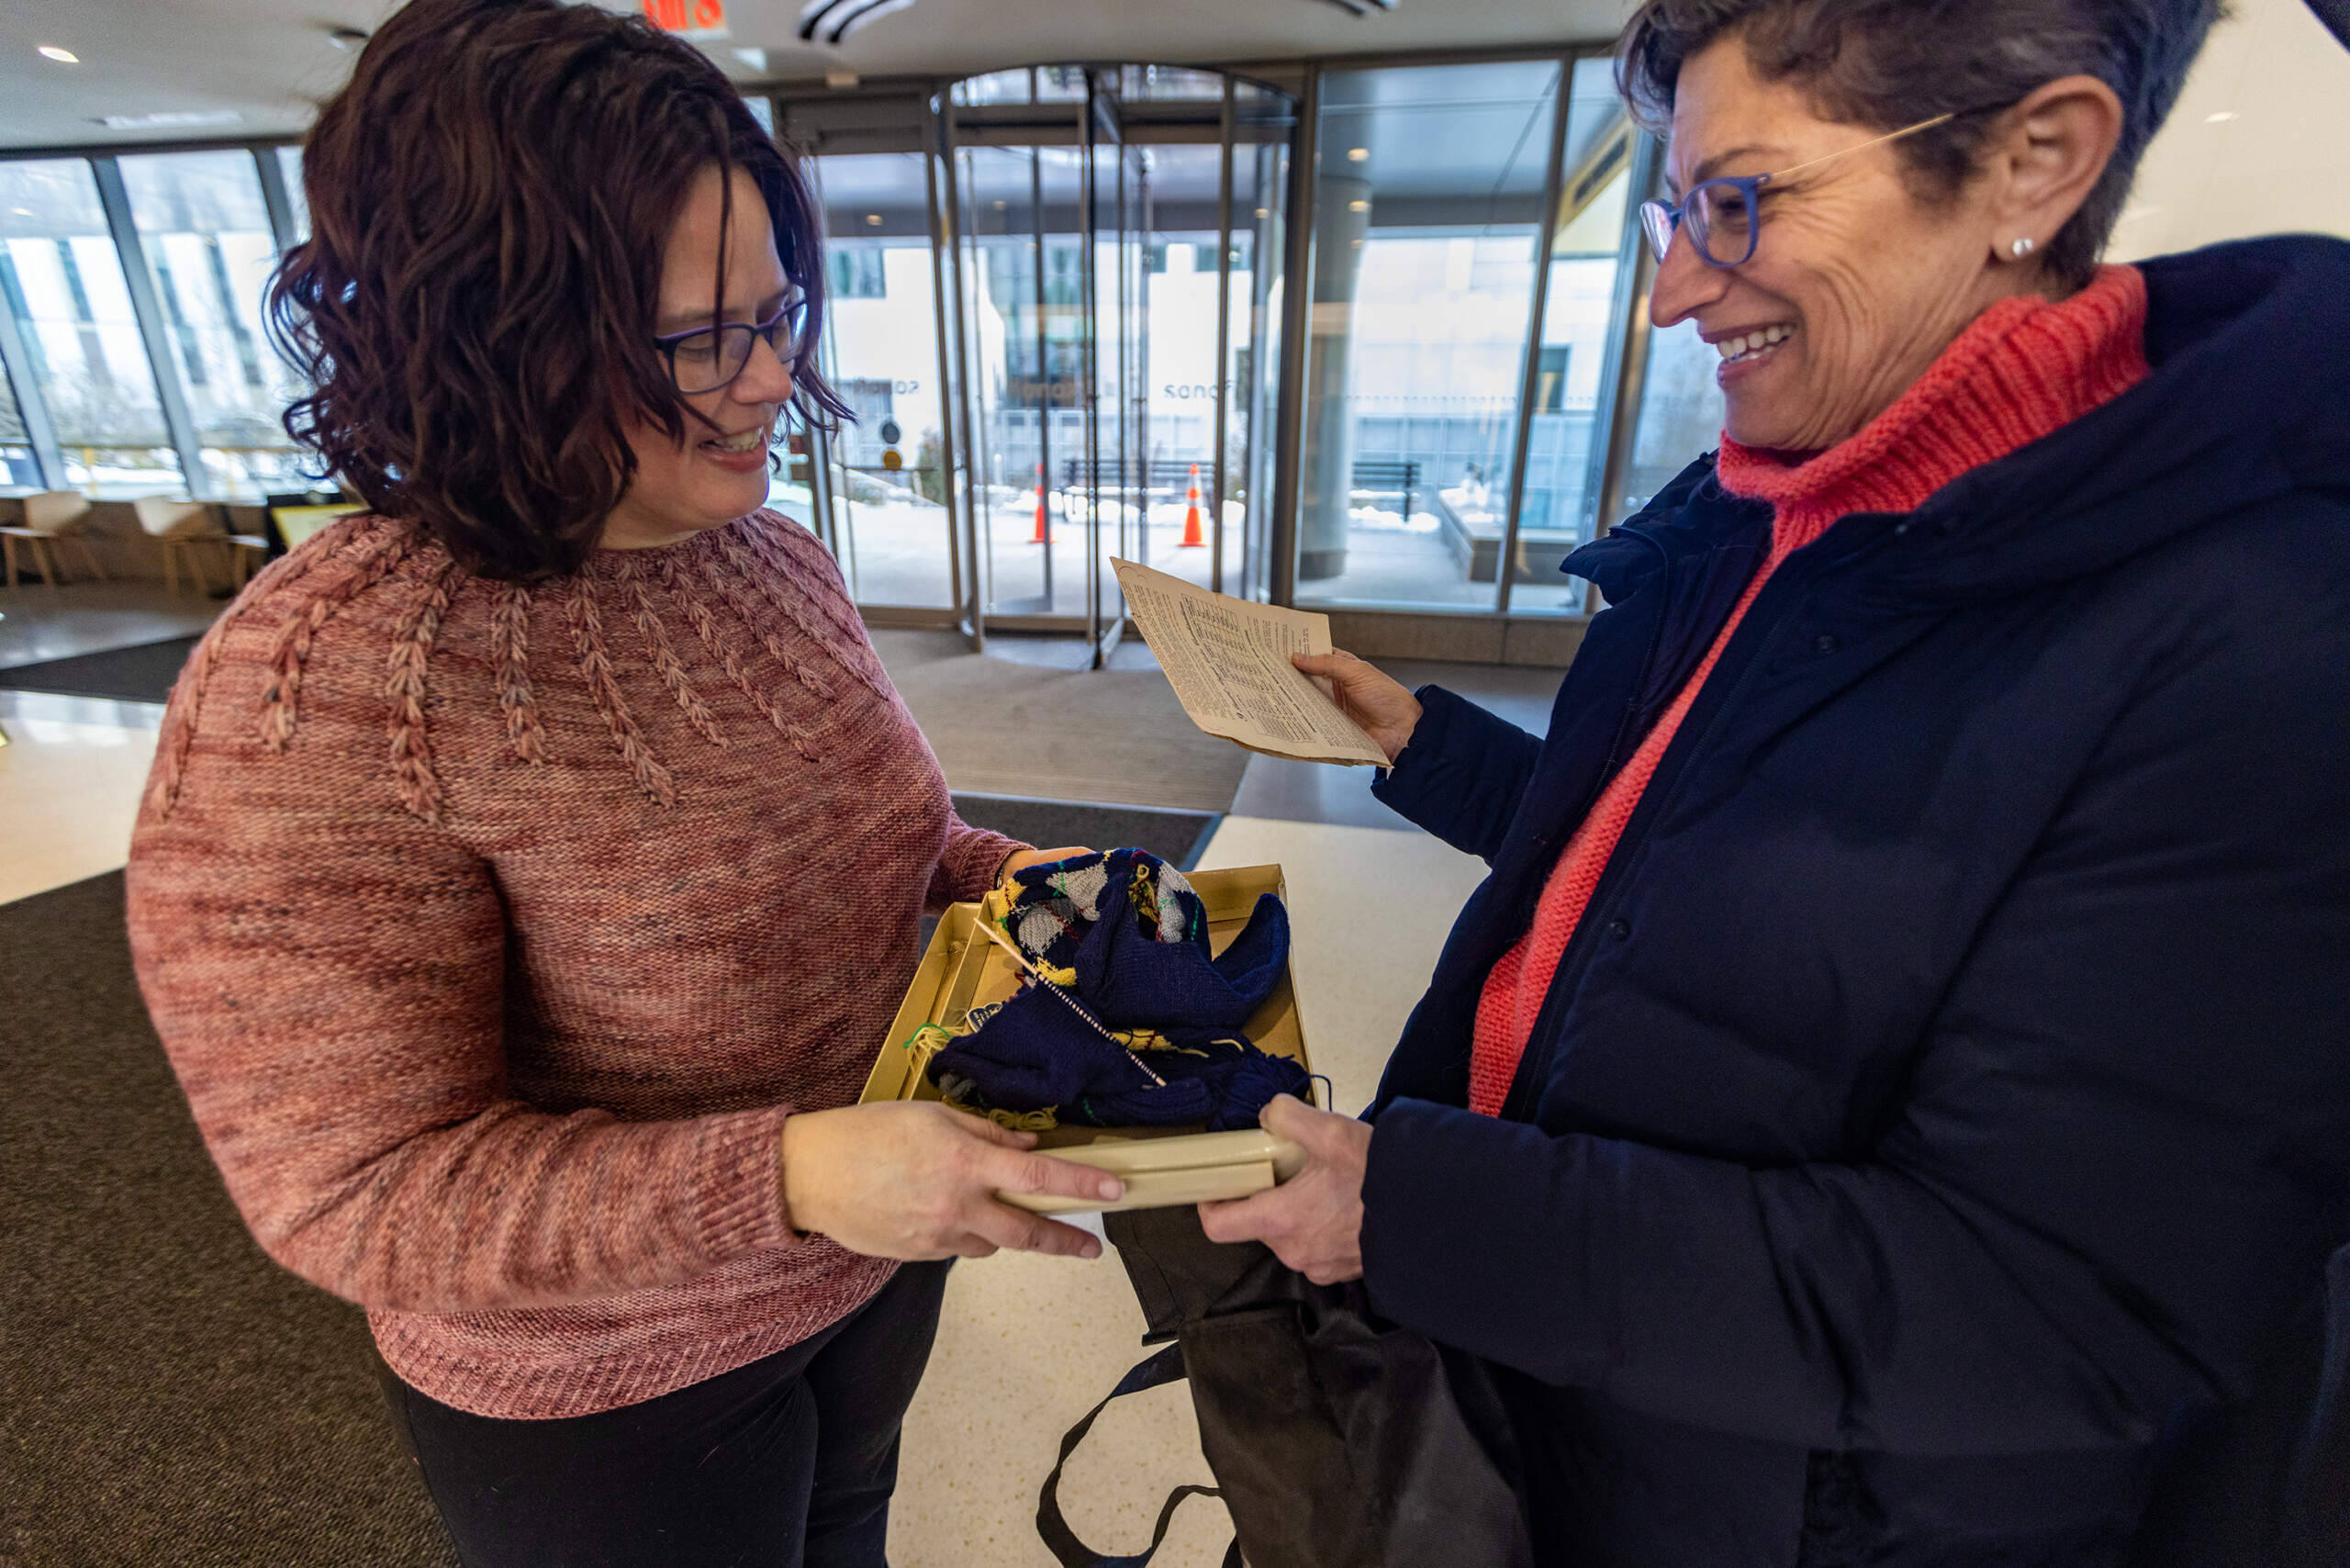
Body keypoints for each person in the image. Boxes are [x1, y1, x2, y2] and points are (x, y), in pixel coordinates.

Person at [1204, 0, 2350, 1561]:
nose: (1673, 291)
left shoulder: (2259, 640)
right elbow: (1656, 871)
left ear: (2037, 162)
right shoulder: (1782, 497)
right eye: (1679, 210)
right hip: (1541, 1397)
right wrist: (1424, 743)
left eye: (1739, 202)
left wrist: (1422, 1214)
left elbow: (2049, 1305)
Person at [123, 3, 1118, 1563]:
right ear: (491, 335)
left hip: (864, 1275)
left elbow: (896, 850)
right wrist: (786, 1177)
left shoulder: (772, 559)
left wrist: (1019, 881)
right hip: (599, 1391)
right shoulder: (332, 687)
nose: (768, 379)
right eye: (696, 339)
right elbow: (355, 1192)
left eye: (781, 316)